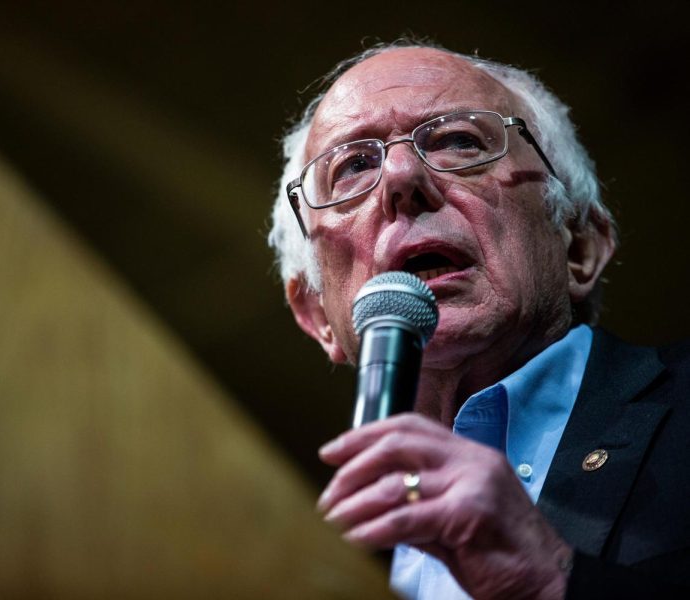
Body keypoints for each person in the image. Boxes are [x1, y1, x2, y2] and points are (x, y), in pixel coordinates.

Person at [268, 41, 690, 599]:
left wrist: (549, 581)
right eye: (352, 167)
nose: (401, 177)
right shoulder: (288, 550)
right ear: (317, 313)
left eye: (458, 142)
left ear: (579, 246)